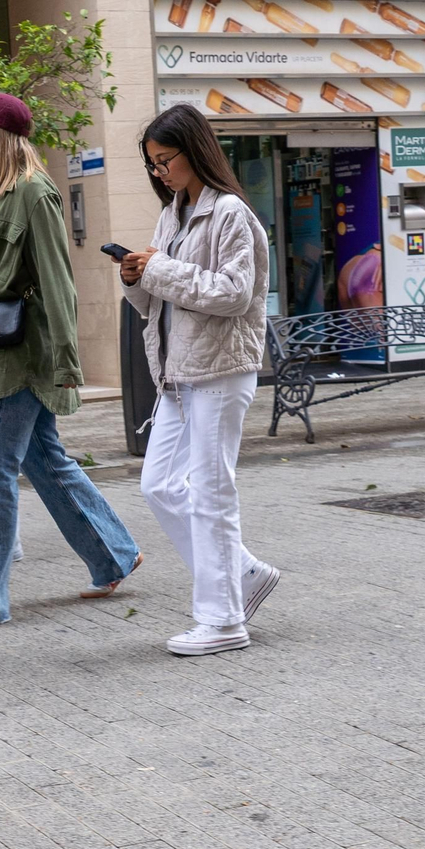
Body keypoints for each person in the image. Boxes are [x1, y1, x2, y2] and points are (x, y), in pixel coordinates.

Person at [0, 94, 140, 632]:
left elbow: (58, 282)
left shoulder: (35, 193)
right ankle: (114, 554)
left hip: (17, 361)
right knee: (45, 462)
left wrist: (66, 363)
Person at [113, 103, 280, 657]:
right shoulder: (173, 214)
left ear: (196, 150)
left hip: (221, 369)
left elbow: (233, 293)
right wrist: (136, 278)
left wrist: (158, 269)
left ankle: (223, 619)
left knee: (211, 493)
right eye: (153, 163)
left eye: (166, 160)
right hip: (177, 373)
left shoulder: (231, 213)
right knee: (159, 485)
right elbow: (159, 301)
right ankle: (243, 574)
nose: (159, 171)